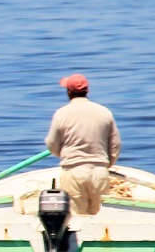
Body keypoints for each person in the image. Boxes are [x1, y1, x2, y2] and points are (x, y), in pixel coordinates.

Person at [45, 74, 119, 217]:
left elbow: (52, 143)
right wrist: (107, 164)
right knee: (101, 216)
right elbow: (115, 144)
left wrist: (62, 154)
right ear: (87, 91)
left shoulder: (62, 114)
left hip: (74, 171)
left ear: (69, 92)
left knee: (78, 216)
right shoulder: (104, 112)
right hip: (99, 172)